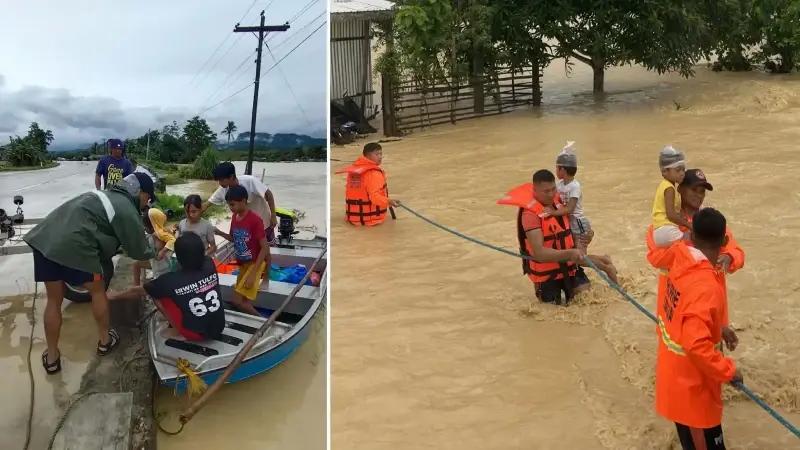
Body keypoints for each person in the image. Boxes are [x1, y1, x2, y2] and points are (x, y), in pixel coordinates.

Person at [23, 172, 156, 374]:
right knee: (97, 292)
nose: (147, 202)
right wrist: (159, 249)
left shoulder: (101, 195)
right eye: (148, 197)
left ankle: (52, 358)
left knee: (53, 301)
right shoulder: (126, 207)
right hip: (78, 246)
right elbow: (138, 250)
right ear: (140, 192)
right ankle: (105, 341)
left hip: (47, 240)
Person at [651, 208, 742, 450]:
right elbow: (696, 345)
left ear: (691, 236)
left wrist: (716, 326)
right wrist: (728, 371)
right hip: (692, 388)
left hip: (674, 378)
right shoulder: (706, 285)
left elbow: (684, 309)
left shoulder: (680, 257)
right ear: (724, 242)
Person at [646, 169, 744, 352]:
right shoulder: (664, 226)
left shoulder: (709, 222)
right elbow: (655, 257)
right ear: (680, 190)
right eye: (694, 190)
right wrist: (686, 243)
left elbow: (737, 251)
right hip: (674, 306)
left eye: (702, 191)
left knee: (711, 353)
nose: (699, 196)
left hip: (710, 306)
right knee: (674, 351)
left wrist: (729, 258)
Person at [497, 169, 618, 305]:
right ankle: (603, 261)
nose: (551, 194)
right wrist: (570, 253)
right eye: (546, 191)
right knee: (552, 308)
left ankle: (603, 262)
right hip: (548, 275)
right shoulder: (530, 215)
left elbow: (574, 225)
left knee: (587, 300)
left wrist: (588, 235)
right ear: (535, 191)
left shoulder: (560, 202)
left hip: (571, 266)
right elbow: (540, 253)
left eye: (553, 189)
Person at [109, 233, 225, 341]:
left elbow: (138, 291)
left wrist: (114, 296)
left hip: (196, 334)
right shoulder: (209, 264)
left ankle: (177, 330)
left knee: (156, 294)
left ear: (178, 258)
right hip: (220, 326)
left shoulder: (168, 281)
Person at [215, 185, 269, 316]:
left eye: (232, 204)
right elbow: (233, 238)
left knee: (237, 301)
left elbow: (265, 247)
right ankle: (254, 319)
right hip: (243, 264)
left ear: (244, 201)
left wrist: (253, 273)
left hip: (253, 264)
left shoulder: (255, 220)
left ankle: (262, 321)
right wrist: (220, 233)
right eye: (229, 205)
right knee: (243, 300)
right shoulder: (235, 217)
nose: (230, 208)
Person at [202, 162, 277, 243]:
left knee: (266, 248)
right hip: (245, 227)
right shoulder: (223, 189)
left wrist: (273, 215)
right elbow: (206, 204)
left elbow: (269, 194)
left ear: (231, 176)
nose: (220, 183)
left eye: (222, 180)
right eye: (218, 180)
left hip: (263, 223)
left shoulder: (250, 181)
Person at [337, 142, 401, 226]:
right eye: (377, 154)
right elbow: (374, 198)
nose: (380, 157)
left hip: (353, 220)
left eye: (381, 154)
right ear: (367, 156)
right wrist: (390, 201)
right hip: (372, 222)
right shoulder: (374, 173)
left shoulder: (355, 171)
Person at [652, 145, 691, 247]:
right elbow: (670, 215)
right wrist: (689, 225)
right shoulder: (669, 188)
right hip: (667, 230)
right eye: (678, 170)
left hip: (659, 231)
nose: (682, 173)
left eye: (683, 169)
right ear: (664, 172)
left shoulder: (664, 185)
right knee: (692, 239)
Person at [132, 208, 177, 287]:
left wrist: (162, 250)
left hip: (163, 271)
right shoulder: (160, 232)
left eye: (145, 226)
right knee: (136, 264)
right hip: (159, 266)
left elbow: (156, 256)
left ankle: (138, 290)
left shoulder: (158, 236)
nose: (144, 228)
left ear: (152, 226)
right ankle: (138, 286)